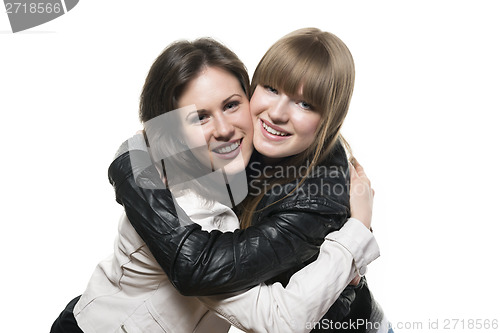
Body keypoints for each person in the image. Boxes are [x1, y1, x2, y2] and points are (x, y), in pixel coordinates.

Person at [50, 32, 380, 333]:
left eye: (232, 105)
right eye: (200, 116)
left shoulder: (253, 171)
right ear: (169, 130)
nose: (223, 129)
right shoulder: (189, 206)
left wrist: (339, 264)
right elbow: (280, 318)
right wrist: (355, 236)